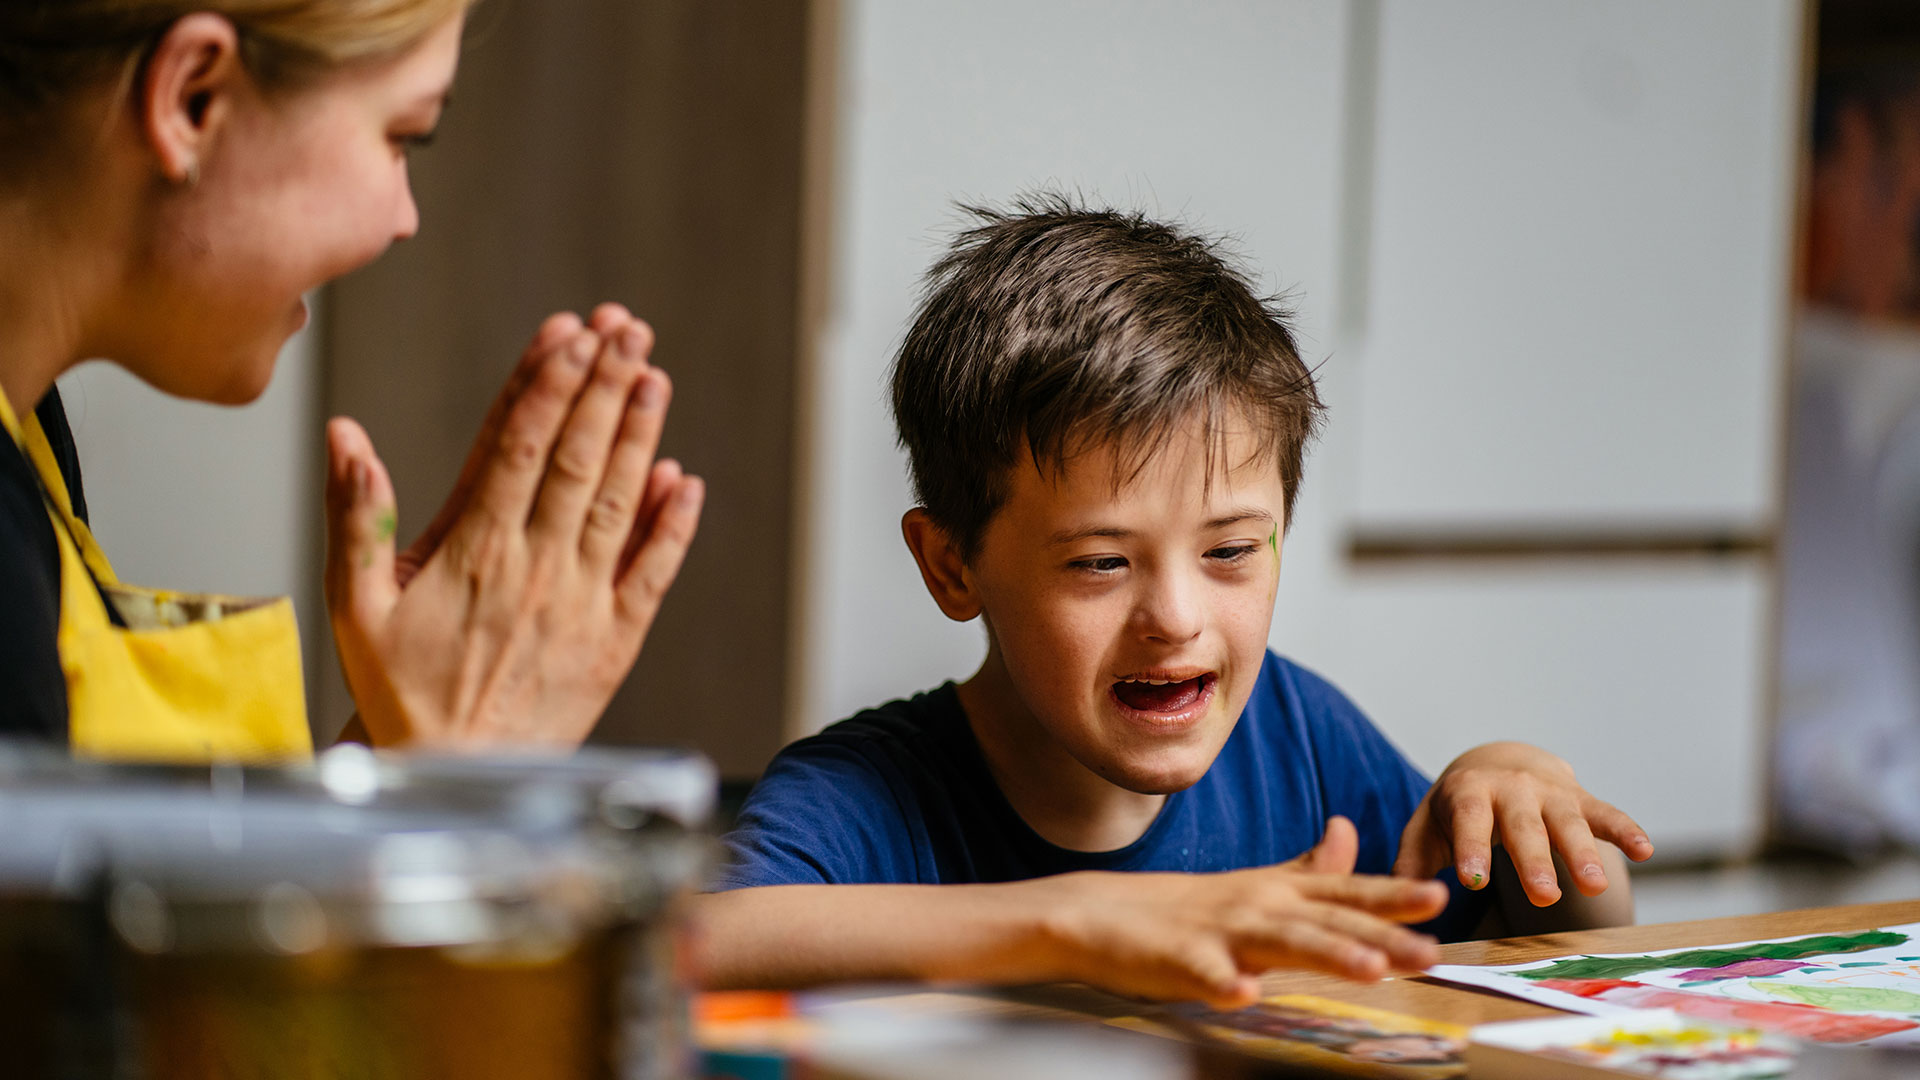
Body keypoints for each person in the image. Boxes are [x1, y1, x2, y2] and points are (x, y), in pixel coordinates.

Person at [696, 199, 1652, 1007]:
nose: (1176, 618)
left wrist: (1533, 816)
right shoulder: (862, 795)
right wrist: (1080, 918)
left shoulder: (1302, 739)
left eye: (1230, 550)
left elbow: (1559, 951)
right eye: (1101, 563)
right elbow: (693, 944)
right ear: (952, 566)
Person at [0, 1, 704, 757]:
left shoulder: (30, 434)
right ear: (193, 98)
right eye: (403, 135)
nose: (405, 218)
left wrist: (395, 743)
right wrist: (453, 765)